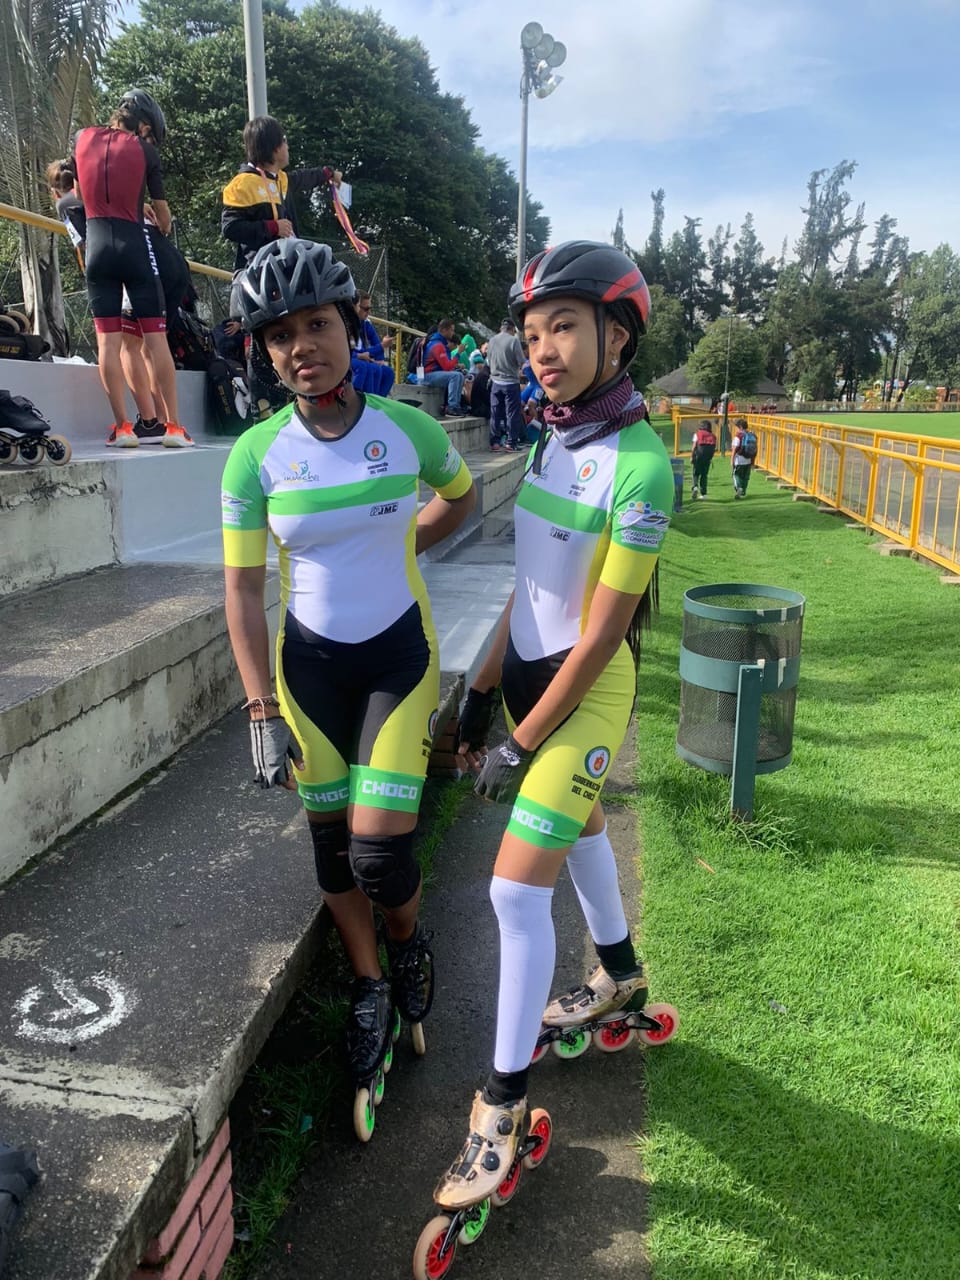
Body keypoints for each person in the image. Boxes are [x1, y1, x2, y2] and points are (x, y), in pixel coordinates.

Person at [430, 241, 675, 1211]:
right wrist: (481, 691)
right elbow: (527, 591)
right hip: (529, 681)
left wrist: (525, 739)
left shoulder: (643, 466)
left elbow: (603, 633)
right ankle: (619, 971)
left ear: (619, 336)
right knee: (578, 829)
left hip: (587, 693)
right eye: (532, 333)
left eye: (564, 326)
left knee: (510, 891)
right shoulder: (549, 441)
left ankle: (501, 1109)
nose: (542, 349)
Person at [221, 238, 476, 1123]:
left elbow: (461, 496)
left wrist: (407, 540)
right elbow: (242, 589)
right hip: (307, 674)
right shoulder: (253, 454)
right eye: (280, 334)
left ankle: (407, 947)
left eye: (317, 324)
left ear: (351, 324)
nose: (302, 346)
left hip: (398, 661)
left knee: (377, 853)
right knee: (332, 853)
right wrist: (259, 705)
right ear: (265, 350)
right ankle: (370, 986)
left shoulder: (407, 430)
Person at [72, 89, 192, 447]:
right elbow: (164, 220)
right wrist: (144, 210)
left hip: (97, 250)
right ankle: (173, 427)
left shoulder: (82, 138)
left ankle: (123, 427)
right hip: (135, 250)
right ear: (144, 127)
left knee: (107, 344)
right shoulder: (145, 151)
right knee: (155, 340)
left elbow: (79, 195)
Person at [221, 115, 342, 418]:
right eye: (285, 141)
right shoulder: (242, 185)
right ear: (275, 147)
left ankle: (301, 403)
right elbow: (230, 228)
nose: (288, 146)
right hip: (258, 275)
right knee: (263, 340)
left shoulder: (281, 179)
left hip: (288, 273)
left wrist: (327, 174)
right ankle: (261, 409)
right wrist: (271, 227)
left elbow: (303, 178)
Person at [486, 318, 525, 451]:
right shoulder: (514, 341)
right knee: (512, 414)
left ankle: (495, 443)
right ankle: (510, 443)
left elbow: (488, 360)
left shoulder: (492, 340)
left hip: (495, 382)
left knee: (495, 413)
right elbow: (521, 361)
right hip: (511, 382)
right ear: (512, 329)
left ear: (501, 328)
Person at [350, 293, 395, 396]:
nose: (369, 312)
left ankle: (378, 401)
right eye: (366, 309)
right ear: (355, 306)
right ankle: (359, 399)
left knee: (388, 372)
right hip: (351, 357)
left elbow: (375, 341)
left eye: (370, 308)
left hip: (361, 356)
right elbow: (347, 350)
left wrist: (380, 359)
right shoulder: (347, 324)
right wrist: (382, 346)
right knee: (368, 367)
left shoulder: (365, 323)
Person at [421, 319, 467, 417]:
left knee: (459, 375)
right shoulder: (437, 345)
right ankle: (452, 407)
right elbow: (447, 367)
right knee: (456, 376)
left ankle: (456, 406)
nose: (453, 333)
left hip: (431, 374)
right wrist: (458, 353)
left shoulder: (439, 343)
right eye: (451, 330)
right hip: (427, 376)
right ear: (444, 330)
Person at [690, 418, 717, 499]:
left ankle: (695, 487)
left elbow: (694, 447)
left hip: (698, 456)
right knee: (704, 475)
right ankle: (703, 494)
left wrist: (692, 457)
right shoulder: (713, 436)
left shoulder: (697, 434)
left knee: (695, 473)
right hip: (707, 458)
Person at [731, 417, 757, 498]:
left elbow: (734, 450)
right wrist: (753, 462)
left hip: (739, 460)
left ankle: (739, 488)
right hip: (748, 460)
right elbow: (755, 449)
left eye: (736, 427)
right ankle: (743, 492)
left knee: (736, 475)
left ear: (740, 427)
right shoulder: (752, 435)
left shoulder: (738, 436)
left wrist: (732, 461)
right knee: (745, 477)